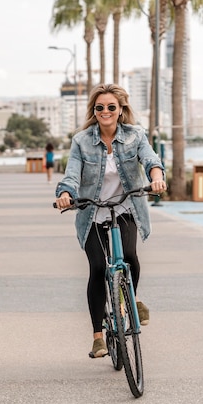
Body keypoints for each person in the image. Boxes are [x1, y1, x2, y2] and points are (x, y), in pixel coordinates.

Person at [53, 84, 166, 358]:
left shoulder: (135, 135)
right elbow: (72, 173)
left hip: (125, 207)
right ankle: (98, 337)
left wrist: (156, 177)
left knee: (129, 255)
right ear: (94, 111)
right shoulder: (81, 140)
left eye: (111, 107)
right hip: (92, 211)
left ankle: (132, 299)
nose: (105, 111)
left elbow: (150, 159)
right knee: (97, 268)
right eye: (100, 107)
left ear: (121, 110)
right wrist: (66, 193)